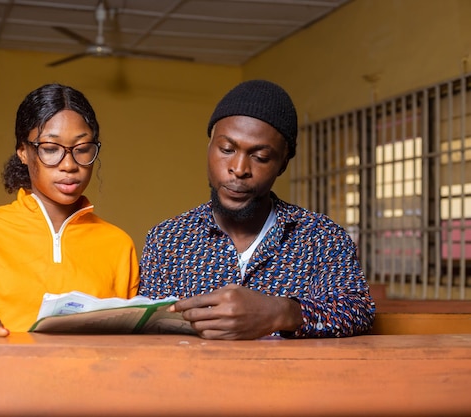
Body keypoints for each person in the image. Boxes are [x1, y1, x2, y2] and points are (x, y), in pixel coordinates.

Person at [139, 79, 375, 339]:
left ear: (282, 164)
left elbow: (357, 310)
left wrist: (281, 313)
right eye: (227, 149)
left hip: (289, 379)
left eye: (260, 157)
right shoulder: (168, 239)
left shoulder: (321, 237)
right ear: (209, 148)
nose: (239, 169)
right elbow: (149, 328)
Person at [0, 83, 139, 340]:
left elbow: (130, 333)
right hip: (2, 376)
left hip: (91, 378)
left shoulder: (118, 244)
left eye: (82, 149)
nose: (68, 165)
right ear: (23, 152)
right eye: (50, 149)